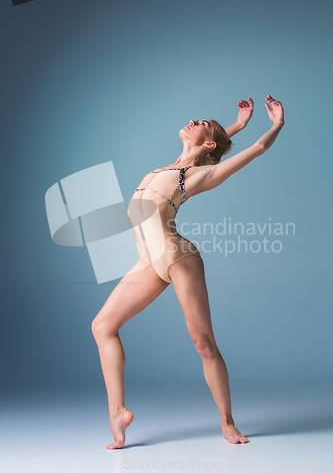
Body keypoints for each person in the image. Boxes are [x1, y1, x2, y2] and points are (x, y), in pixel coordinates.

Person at [91, 95, 285, 449]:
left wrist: (276, 126)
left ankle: (227, 421)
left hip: (179, 259)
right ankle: (117, 413)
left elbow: (256, 149)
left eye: (203, 124)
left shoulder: (198, 175)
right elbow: (219, 142)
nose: (195, 120)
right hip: (148, 262)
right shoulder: (170, 166)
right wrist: (237, 124)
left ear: (208, 143)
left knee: (203, 344)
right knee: (102, 326)